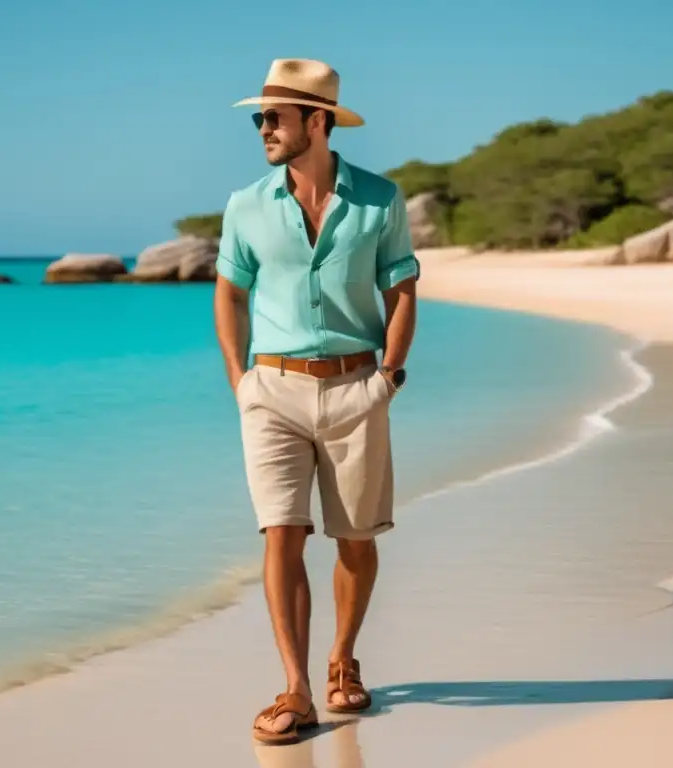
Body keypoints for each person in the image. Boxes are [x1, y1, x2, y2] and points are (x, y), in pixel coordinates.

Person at [213, 58, 419, 745]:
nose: (263, 128)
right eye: (260, 118)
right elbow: (229, 292)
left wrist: (389, 373)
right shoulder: (245, 205)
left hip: (356, 387)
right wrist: (240, 381)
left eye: (275, 116)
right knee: (282, 530)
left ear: (319, 122)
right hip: (270, 389)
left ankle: (342, 660)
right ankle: (297, 688)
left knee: (354, 540)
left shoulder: (380, 200)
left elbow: (402, 289)